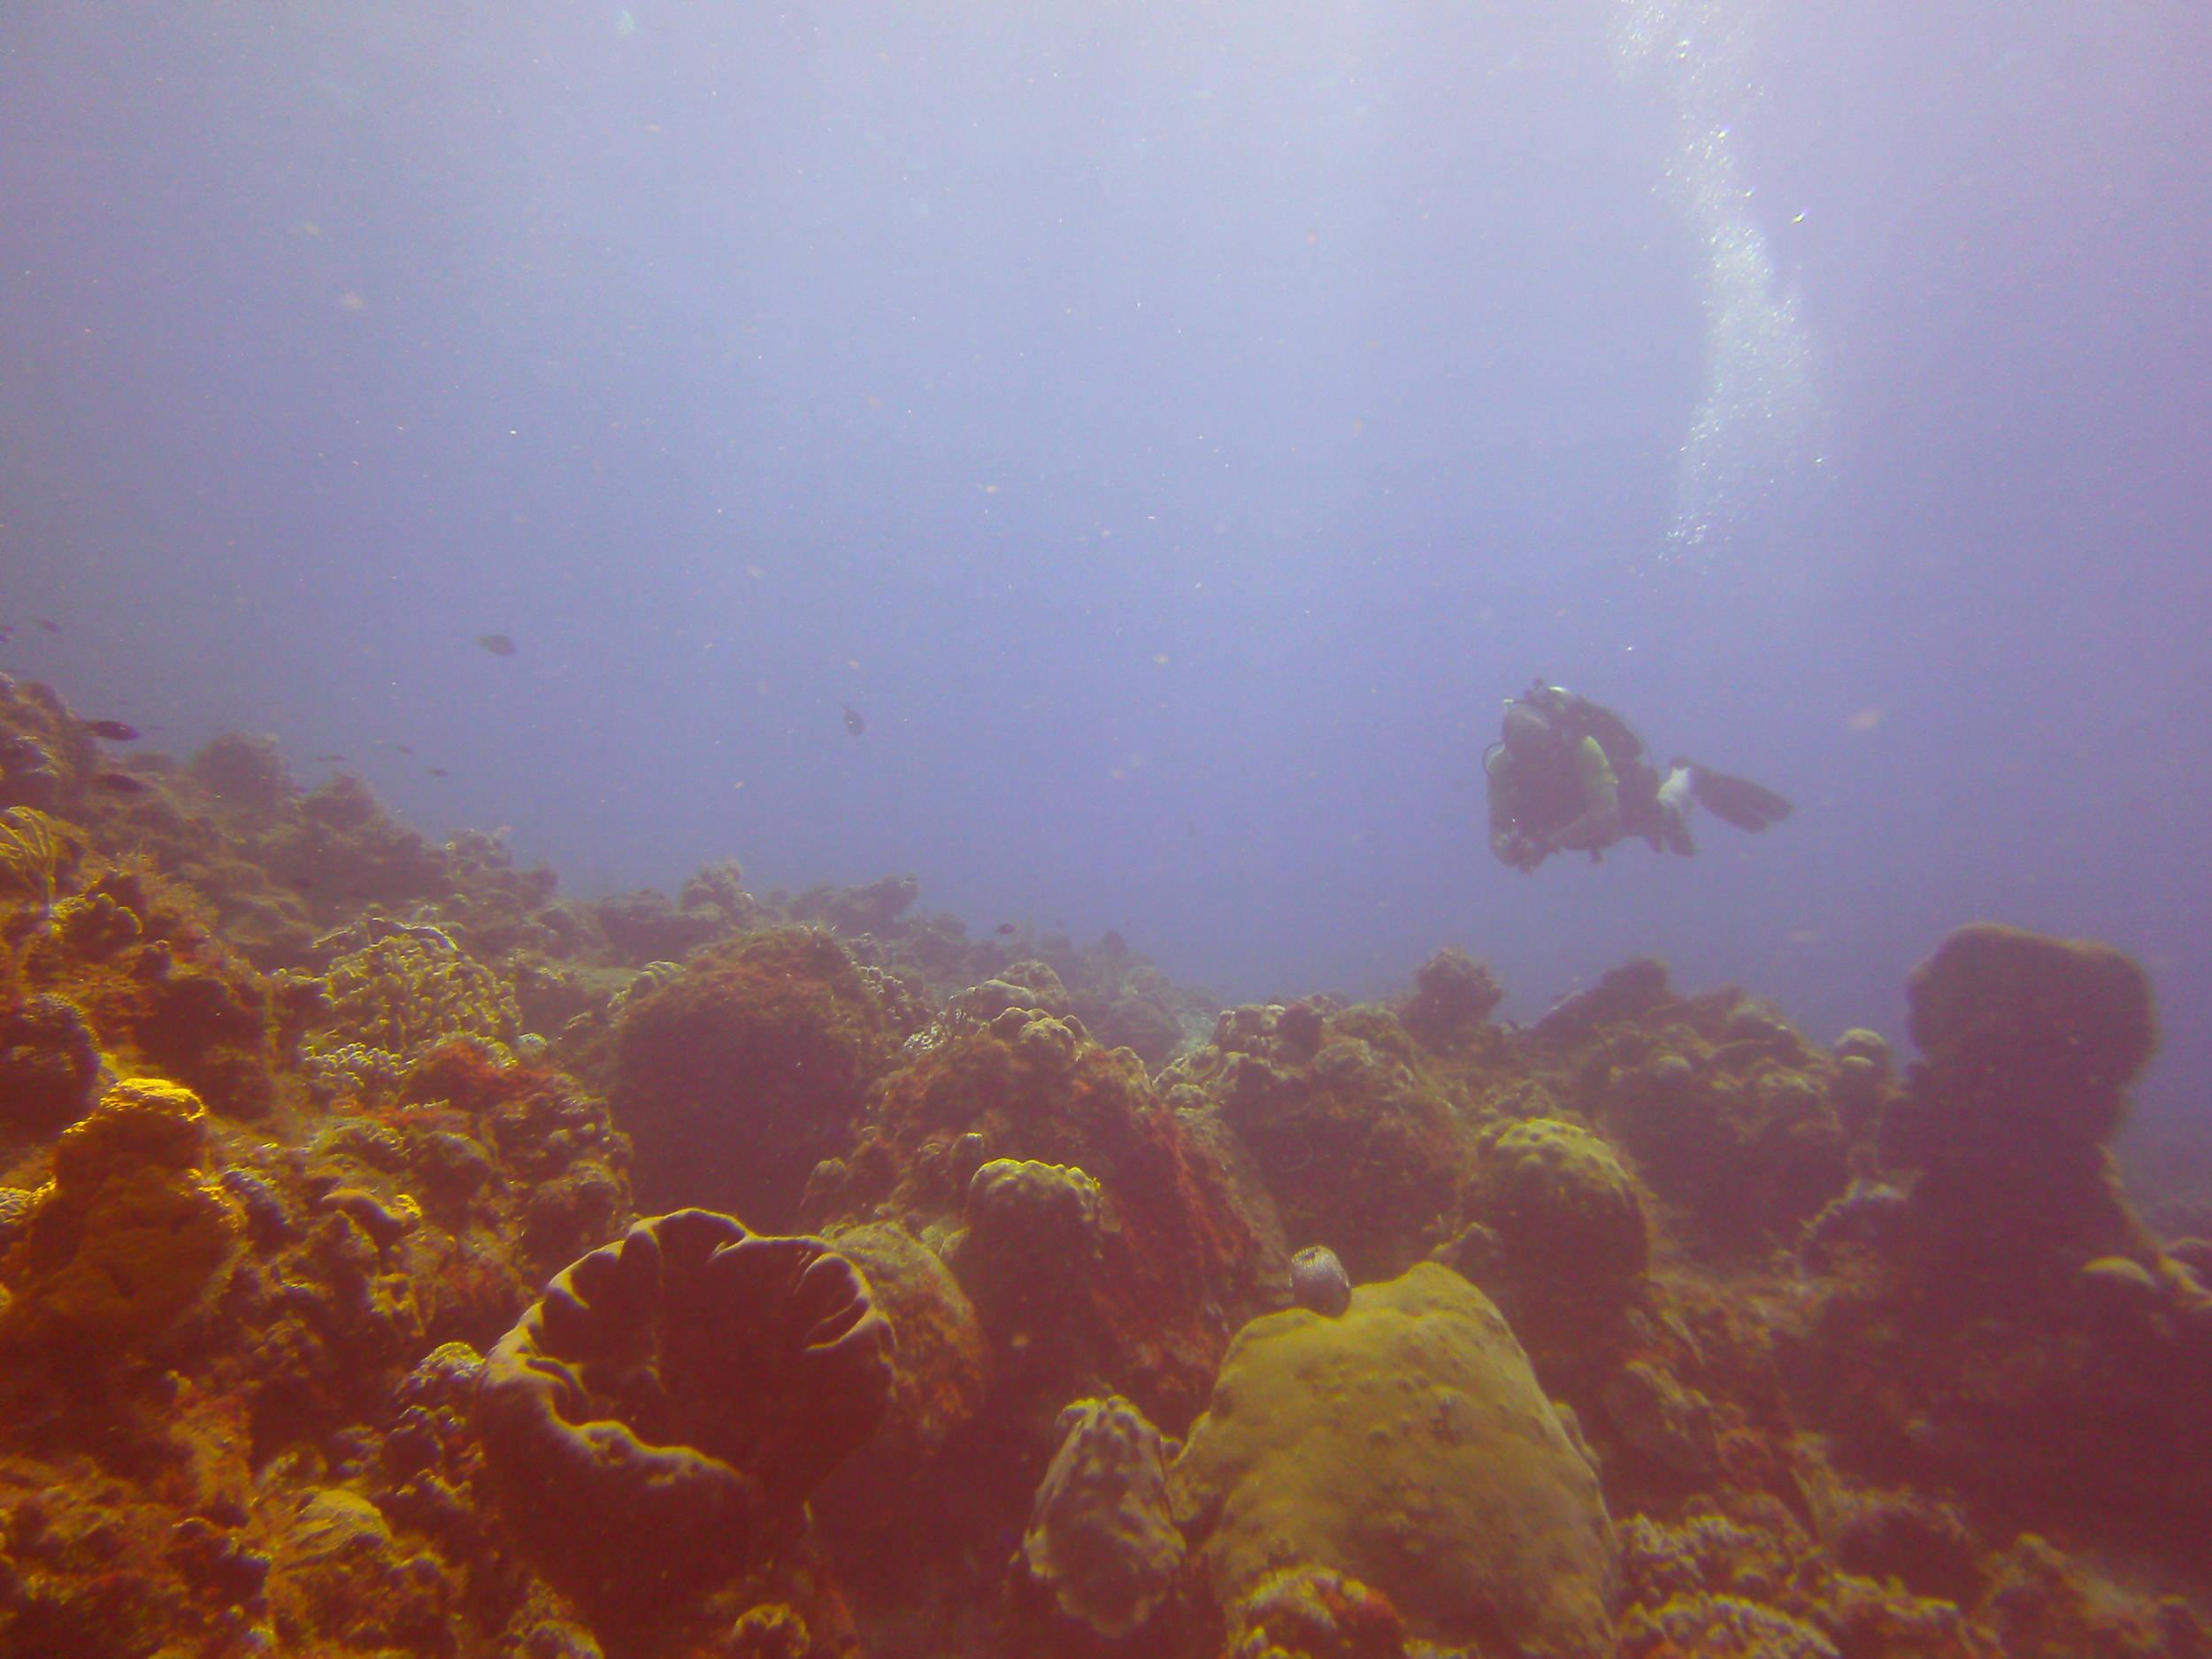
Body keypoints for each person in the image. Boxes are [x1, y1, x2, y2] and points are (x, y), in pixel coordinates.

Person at [1484, 679, 1793, 873]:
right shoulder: (1502, 766)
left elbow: (1606, 814)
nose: (1539, 766)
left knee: (1662, 815)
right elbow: (1498, 826)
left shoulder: (1582, 747)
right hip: (1575, 825)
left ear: (1553, 742)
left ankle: (1689, 775)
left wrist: (1546, 844)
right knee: (1648, 828)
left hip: (1621, 805)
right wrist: (1507, 851)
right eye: (1528, 759)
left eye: (1543, 754)